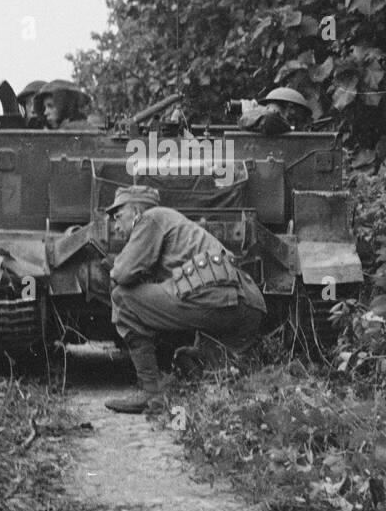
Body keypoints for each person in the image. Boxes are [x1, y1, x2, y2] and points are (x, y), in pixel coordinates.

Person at [104, 185, 266, 414]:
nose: (116, 225)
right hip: (248, 307)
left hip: (216, 301)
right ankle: (208, 377)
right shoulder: (175, 223)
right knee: (211, 377)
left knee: (122, 297)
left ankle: (150, 390)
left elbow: (122, 274)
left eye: (118, 216)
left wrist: (114, 271)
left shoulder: (150, 219)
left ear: (137, 210)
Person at [238, 86, 313, 134]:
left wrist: (249, 111)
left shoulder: (280, 126)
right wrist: (250, 111)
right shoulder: (269, 120)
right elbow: (269, 119)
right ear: (291, 107)